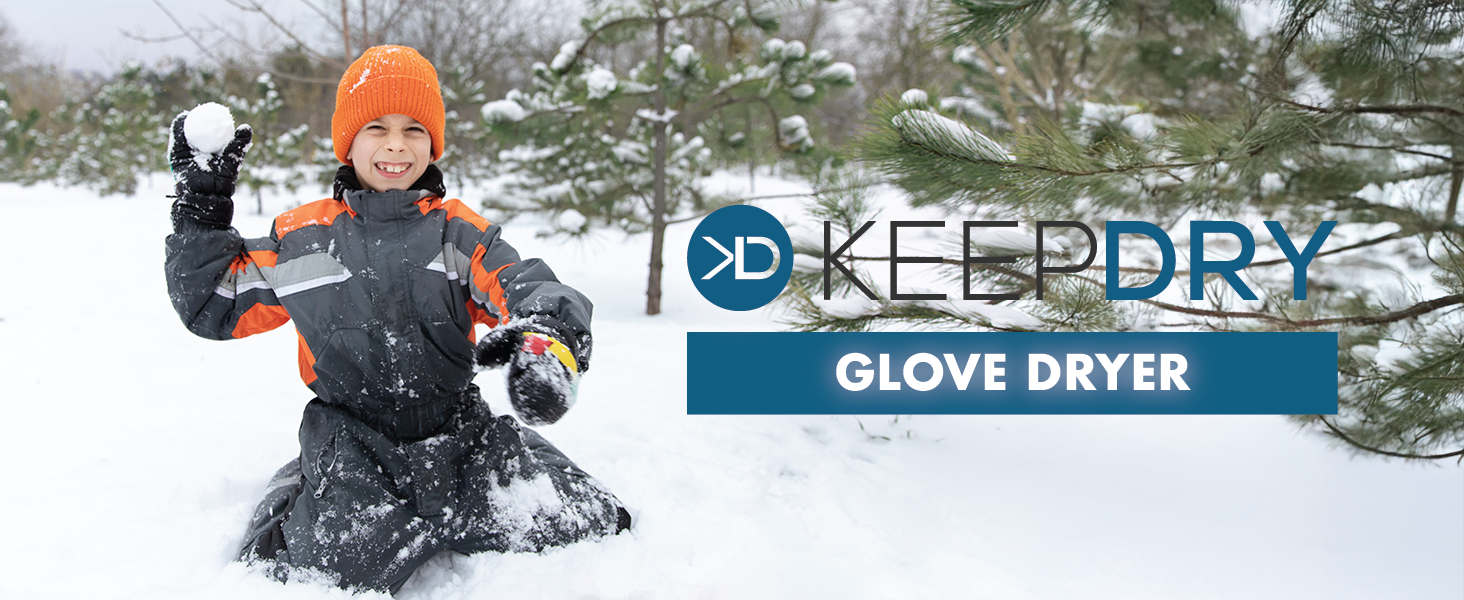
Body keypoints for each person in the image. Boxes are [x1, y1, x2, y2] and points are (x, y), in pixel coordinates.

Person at [163, 45, 630, 594]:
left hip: (459, 437)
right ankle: (307, 484)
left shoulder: (457, 234)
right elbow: (212, 303)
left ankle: (511, 466)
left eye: (413, 129)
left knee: (590, 521)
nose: (394, 144)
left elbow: (524, 284)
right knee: (314, 570)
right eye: (376, 127)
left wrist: (546, 336)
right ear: (348, 140)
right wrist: (202, 209)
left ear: (432, 143)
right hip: (356, 442)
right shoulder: (303, 241)